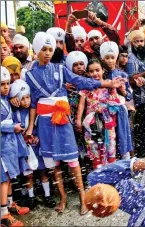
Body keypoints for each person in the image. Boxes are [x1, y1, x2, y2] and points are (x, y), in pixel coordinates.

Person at [20, 32, 124, 215]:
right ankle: (63, 197)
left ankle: (84, 198)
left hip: (62, 122)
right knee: (53, 165)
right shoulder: (29, 75)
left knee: (73, 161)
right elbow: (34, 104)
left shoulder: (60, 69)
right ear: (36, 50)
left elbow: (80, 81)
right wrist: (30, 128)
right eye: (44, 49)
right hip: (44, 124)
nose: (47, 53)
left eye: (50, 49)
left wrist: (107, 84)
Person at [9, 79, 56, 210]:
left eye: (28, 97)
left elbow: (40, 127)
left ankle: (47, 195)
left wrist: (37, 137)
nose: (26, 101)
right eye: (22, 99)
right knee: (28, 174)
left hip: (36, 146)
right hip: (23, 149)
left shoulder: (34, 111)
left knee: (43, 171)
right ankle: (31, 197)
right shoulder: (14, 113)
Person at [76, 59, 125, 168]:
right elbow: (81, 104)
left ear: (103, 70)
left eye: (97, 70)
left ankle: (110, 180)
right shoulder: (86, 87)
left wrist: (104, 108)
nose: (95, 74)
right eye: (91, 71)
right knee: (95, 153)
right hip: (91, 126)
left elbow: (115, 103)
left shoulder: (110, 84)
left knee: (110, 151)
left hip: (108, 125)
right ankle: (98, 179)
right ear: (88, 73)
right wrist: (79, 120)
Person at [1, 67, 30, 227]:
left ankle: (10, 204)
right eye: (2, 84)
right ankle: (3, 214)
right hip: (2, 146)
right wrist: (12, 128)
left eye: (7, 83)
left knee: (10, 177)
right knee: (3, 179)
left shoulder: (6, 99)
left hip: (9, 145)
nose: (6, 87)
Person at [100, 41, 133, 159]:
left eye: (112, 57)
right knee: (108, 142)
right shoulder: (100, 75)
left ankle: (126, 166)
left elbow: (129, 96)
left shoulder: (123, 75)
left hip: (120, 112)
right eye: (107, 58)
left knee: (122, 138)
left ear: (116, 58)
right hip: (105, 113)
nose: (110, 60)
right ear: (102, 58)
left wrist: (123, 91)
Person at [126, 29, 145, 158]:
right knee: (142, 134)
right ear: (132, 43)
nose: (140, 44)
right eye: (136, 42)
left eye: (141, 41)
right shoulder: (132, 57)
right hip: (140, 102)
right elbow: (131, 79)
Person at [65, 51, 88, 159]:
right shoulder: (67, 81)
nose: (79, 67)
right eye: (75, 65)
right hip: (72, 116)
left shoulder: (89, 79)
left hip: (87, 115)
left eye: (81, 64)